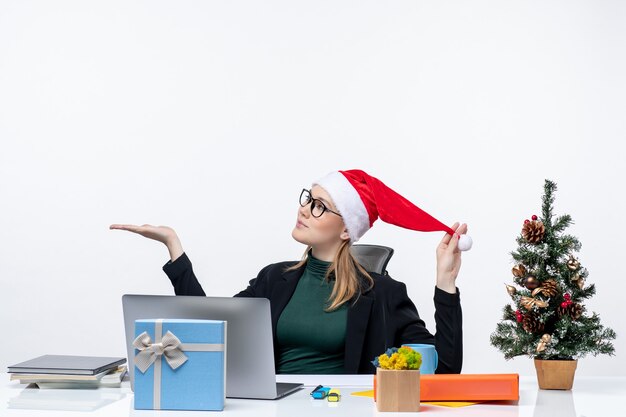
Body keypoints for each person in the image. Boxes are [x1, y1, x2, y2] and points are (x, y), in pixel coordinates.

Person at [111, 169, 468, 374]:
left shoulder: (383, 293)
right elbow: (210, 330)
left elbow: (445, 370)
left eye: (319, 206)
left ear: (347, 229)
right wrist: (174, 247)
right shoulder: (274, 280)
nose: (303, 210)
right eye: (306, 199)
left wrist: (445, 284)